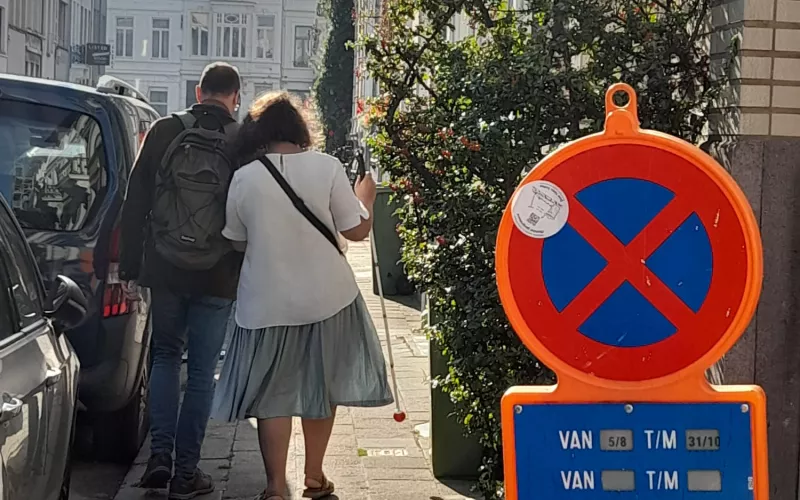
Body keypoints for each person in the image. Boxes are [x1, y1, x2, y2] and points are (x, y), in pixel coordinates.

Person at [211, 91, 394, 500]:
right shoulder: (327, 167)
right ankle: (314, 475)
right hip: (328, 297)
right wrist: (366, 196)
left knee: (271, 395)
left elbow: (236, 240)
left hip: (265, 301)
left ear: (258, 132)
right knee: (322, 387)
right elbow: (357, 230)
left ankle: (276, 487)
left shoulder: (245, 177)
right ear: (300, 129)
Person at [119, 62, 243, 500]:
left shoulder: (165, 130)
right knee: (203, 373)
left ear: (198, 92)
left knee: (166, 357)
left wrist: (129, 266)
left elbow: (135, 199)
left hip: (166, 266)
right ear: (236, 98)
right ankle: (186, 473)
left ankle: (159, 457)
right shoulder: (242, 140)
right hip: (219, 272)